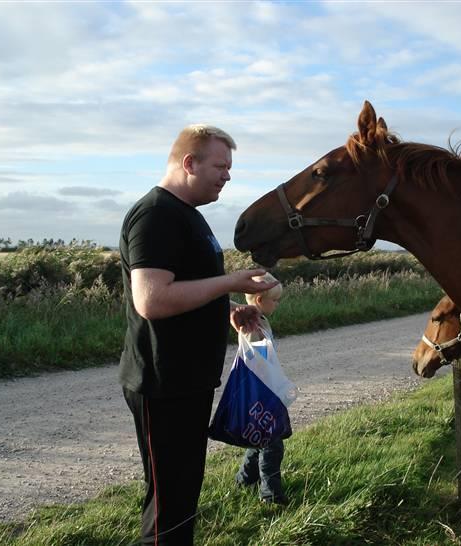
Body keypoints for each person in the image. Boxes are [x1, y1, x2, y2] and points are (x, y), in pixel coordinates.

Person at [118, 124, 277, 546]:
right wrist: (230, 282)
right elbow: (151, 300)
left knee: (184, 491)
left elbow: (184, 287)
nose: (227, 175)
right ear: (189, 163)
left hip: (188, 378)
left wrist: (226, 311)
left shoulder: (188, 215)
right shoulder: (156, 214)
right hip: (162, 380)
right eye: (220, 166)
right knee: (169, 499)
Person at [234, 272, 290, 505]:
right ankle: (271, 496)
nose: (277, 304)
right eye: (275, 300)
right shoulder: (252, 328)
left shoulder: (261, 321)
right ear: (259, 300)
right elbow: (255, 361)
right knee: (272, 446)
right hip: (260, 393)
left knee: (260, 443)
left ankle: (244, 480)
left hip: (267, 390)